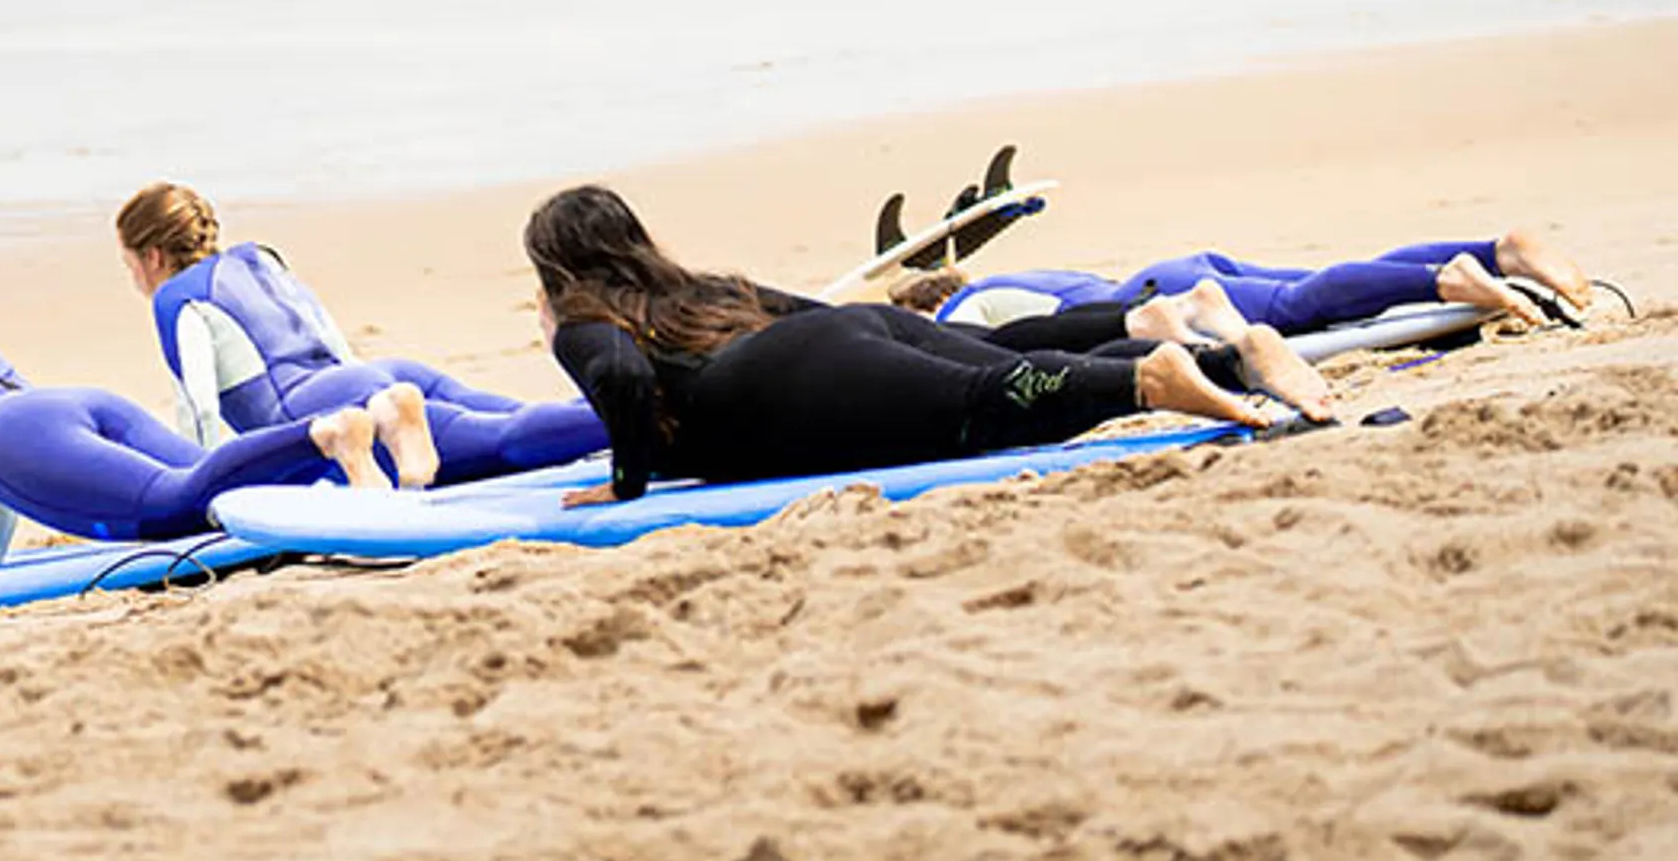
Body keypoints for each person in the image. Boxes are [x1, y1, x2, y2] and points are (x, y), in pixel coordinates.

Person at [522, 184, 1329, 505]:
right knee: (1011, 371)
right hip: (831, 340)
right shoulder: (701, 288)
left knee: (991, 406)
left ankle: (1146, 381)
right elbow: (815, 313)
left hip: (773, 387)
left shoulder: (585, 321)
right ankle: (1234, 360)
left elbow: (623, 379)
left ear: (556, 267)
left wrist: (625, 485)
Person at [0, 220, 407, 598]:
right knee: (221, 487)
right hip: (66, 405)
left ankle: (325, 434)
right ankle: (359, 452)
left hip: (16, 437)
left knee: (173, 508)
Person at [114, 182, 607, 489]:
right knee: (515, 417)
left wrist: (203, 493)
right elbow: (323, 328)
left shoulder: (176, 300)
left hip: (333, 406)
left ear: (153, 256)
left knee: (502, 443)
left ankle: (651, 409)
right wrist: (363, 387)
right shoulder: (258, 258)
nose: (133, 277)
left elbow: (198, 410)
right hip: (368, 376)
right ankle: (634, 402)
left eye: (129, 263)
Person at [907, 228, 1595, 343]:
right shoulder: (1013, 279)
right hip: (1179, 269)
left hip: (1159, 298)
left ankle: (1447, 280)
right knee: (1337, 288)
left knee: (1306, 306)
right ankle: (1495, 251)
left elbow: (972, 358)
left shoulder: (963, 310)